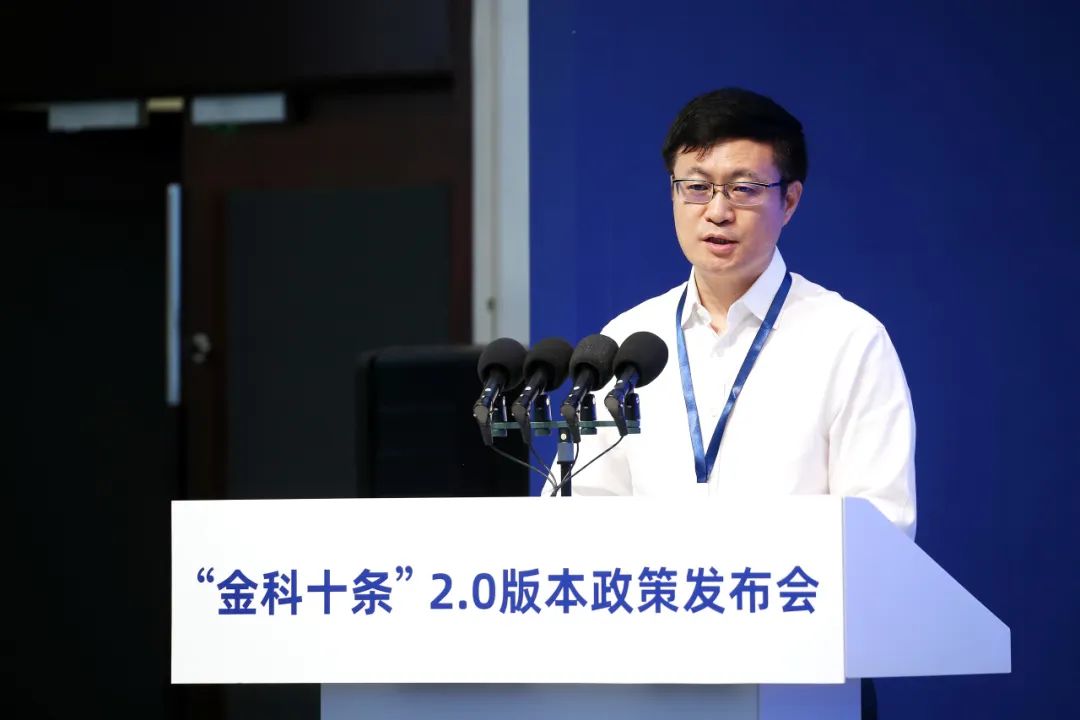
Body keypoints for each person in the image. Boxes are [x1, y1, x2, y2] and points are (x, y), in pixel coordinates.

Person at [555, 87, 916, 543]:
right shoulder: (627, 341)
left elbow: (882, 530)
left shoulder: (849, 340)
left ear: (789, 201)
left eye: (743, 189)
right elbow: (581, 513)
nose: (718, 212)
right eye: (697, 187)